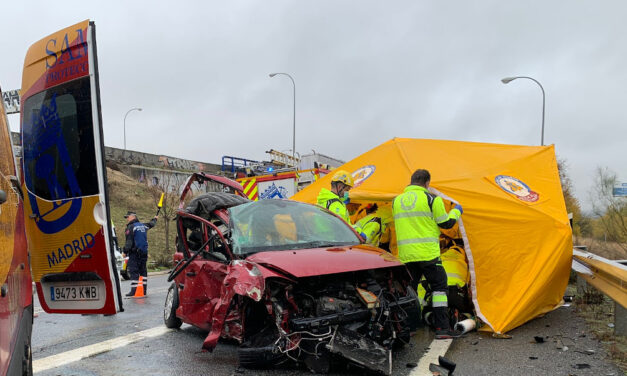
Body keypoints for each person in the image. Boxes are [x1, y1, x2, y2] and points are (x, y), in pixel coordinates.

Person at [393, 169, 463, 339]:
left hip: (406, 256)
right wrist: (457, 211)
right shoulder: (432, 199)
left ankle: (409, 327)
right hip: (428, 255)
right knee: (439, 288)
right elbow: (446, 223)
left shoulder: (396, 201)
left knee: (410, 291)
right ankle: (442, 328)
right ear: (427, 183)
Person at [123, 211, 158, 296]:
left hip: (134, 253)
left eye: (128, 217)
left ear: (133, 216)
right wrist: (155, 219)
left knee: (134, 270)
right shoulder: (143, 225)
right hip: (144, 252)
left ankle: (134, 291)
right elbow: (151, 224)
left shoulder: (131, 227)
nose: (127, 219)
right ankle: (144, 290)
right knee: (143, 271)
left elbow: (129, 241)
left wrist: (125, 251)